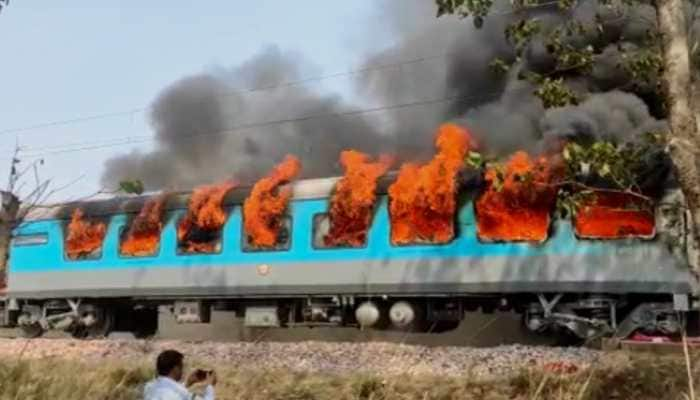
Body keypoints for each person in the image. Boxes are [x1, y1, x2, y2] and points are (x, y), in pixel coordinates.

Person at [143, 349, 216, 400]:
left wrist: (187, 383)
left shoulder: (149, 387)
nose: (182, 371)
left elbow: (169, 387)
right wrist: (210, 386)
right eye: (181, 367)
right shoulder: (178, 395)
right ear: (175, 368)